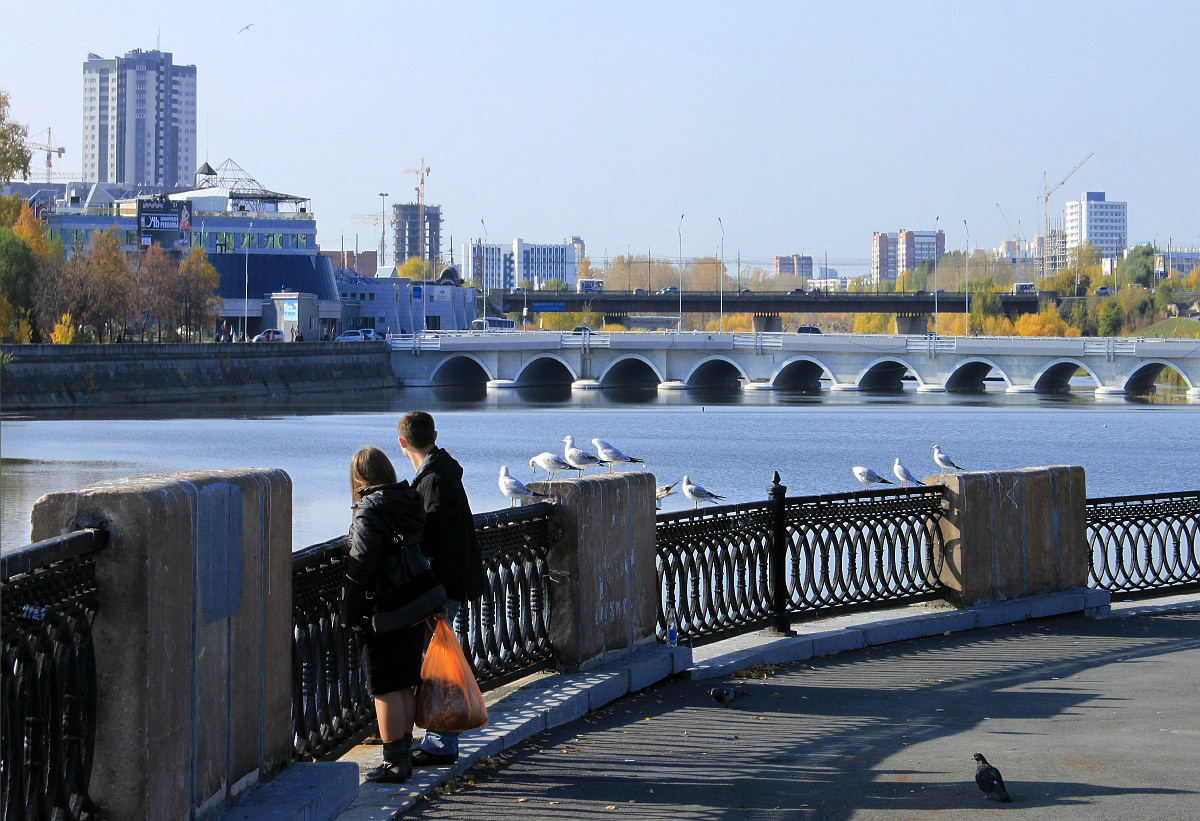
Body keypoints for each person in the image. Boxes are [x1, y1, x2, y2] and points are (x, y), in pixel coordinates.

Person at [396, 411, 486, 766]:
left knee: (441, 665)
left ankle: (443, 741)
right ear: (434, 434)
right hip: (452, 582)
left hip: (443, 586)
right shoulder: (443, 474)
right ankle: (439, 736)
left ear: (402, 443)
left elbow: (438, 540)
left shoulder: (433, 481)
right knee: (440, 660)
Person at [342, 446, 431, 783]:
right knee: (404, 681)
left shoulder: (369, 510)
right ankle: (403, 755)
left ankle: (394, 761)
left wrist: (351, 611)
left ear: (358, 478)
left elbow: (362, 563)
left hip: (383, 608)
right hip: (413, 600)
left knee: (384, 685)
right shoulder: (406, 500)